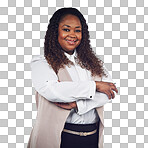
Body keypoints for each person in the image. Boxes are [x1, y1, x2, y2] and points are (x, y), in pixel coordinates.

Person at [27, 7, 118, 148]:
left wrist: (77, 104)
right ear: (56, 31)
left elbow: (109, 92)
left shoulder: (92, 63)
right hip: (60, 139)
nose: (73, 34)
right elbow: (53, 91)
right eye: (66, 29)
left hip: (92, 138)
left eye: (77, 30)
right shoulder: (42, 62)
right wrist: (96, 86)